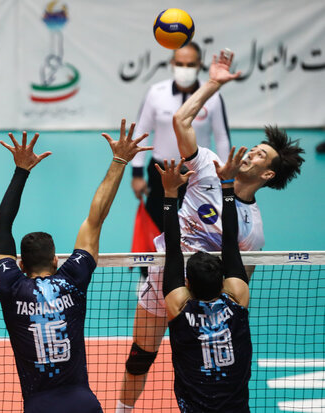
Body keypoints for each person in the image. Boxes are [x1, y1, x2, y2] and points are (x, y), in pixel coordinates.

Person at [116, 50, 304, 412]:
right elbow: (181, 121)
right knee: (141, 356)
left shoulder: (254, 231)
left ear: (267, 176)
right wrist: (213, 84)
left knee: (198, 370)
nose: (251, 154)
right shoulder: (207, 167)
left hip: (200, 300)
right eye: (255, 149)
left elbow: (237, 290)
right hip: (162, 277)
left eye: (261, 157)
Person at [0, 122, 152, 413]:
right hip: (84, 403)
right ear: (56, 260)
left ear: (21, 264)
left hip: (39, 406)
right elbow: (95, 219)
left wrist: (21, 171)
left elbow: (2, 224)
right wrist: (119, 162)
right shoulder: (73, 278)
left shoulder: (10, 285)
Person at [159, 150, 252, 412]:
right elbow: (231, 243)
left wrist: (169, 194)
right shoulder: (237, 300)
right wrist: (228, 185)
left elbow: (173, 250)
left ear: (187, 285)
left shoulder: (179, 309)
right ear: (224, 282)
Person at [131, 42, 231, 231]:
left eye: (190, 65)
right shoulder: (156, 93)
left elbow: (222, 138)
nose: (185, 69)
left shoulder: (213, 96)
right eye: (180, 64)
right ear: (171, 63)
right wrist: (137, 174)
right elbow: (141, 132)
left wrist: (225, 177)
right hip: (161, 173)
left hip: (198, 175)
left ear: (200, 65)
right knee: (157, 230)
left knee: (198, 230)